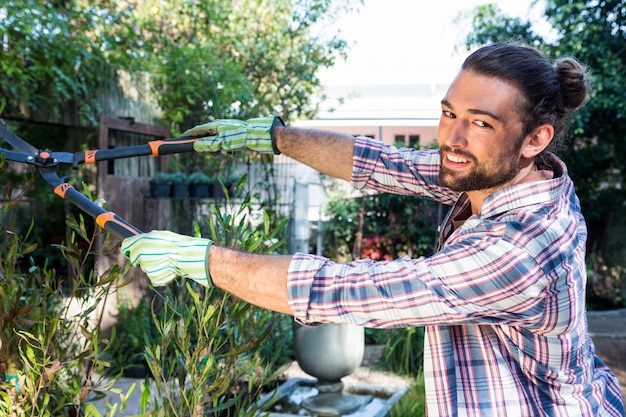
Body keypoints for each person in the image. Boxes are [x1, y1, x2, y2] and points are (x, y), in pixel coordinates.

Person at [122, 42, 625, 416]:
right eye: (449, 113)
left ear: (536, 138)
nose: (452, 135)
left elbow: (357, 291)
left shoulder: (521, 250)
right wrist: (275, 138)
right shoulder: (501, 172)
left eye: (481, 122)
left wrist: (204, 259)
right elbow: (383, 162)